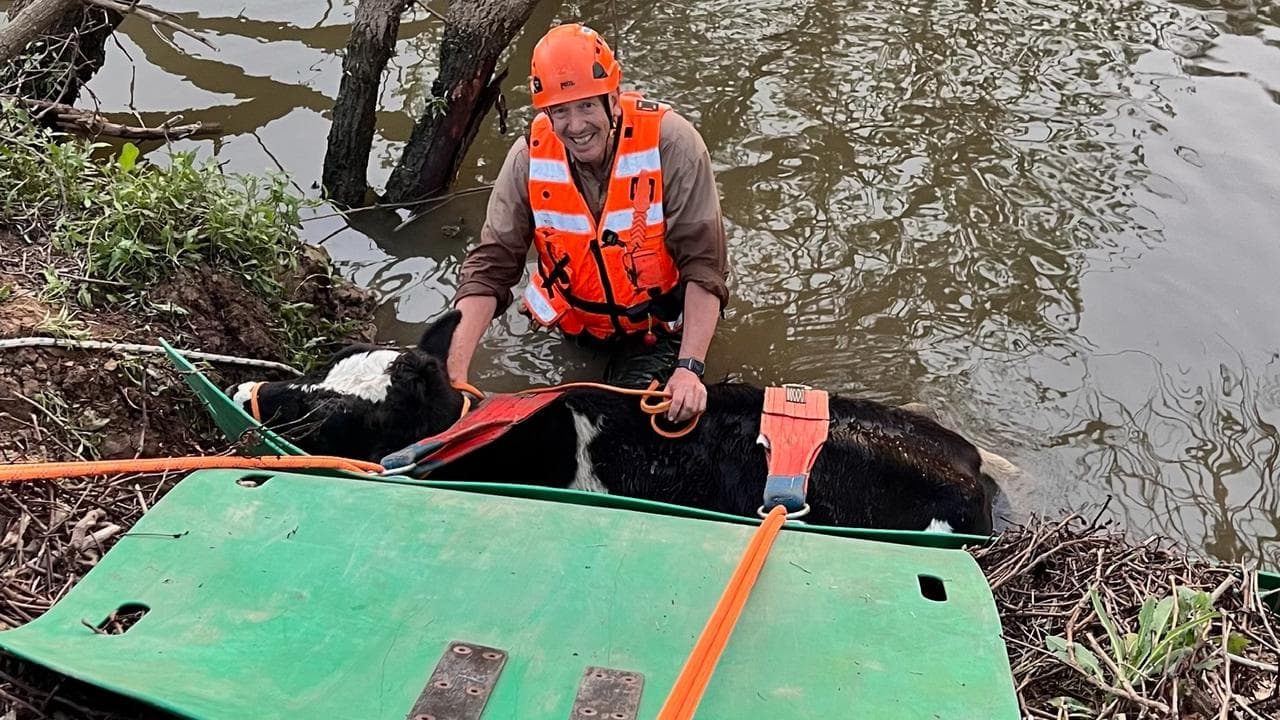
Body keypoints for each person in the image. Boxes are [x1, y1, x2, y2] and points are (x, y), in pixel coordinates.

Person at [446, 23, 729, 423]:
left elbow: (705, 264)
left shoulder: (673, 144)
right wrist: (453, 372)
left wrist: (690, 370)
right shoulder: (528, 159)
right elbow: (490, 268)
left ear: (612, 100)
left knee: (637, 427)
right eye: (560, 111)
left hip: (657, 328)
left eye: (586, 106)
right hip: (577, 327)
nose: (575, 126)